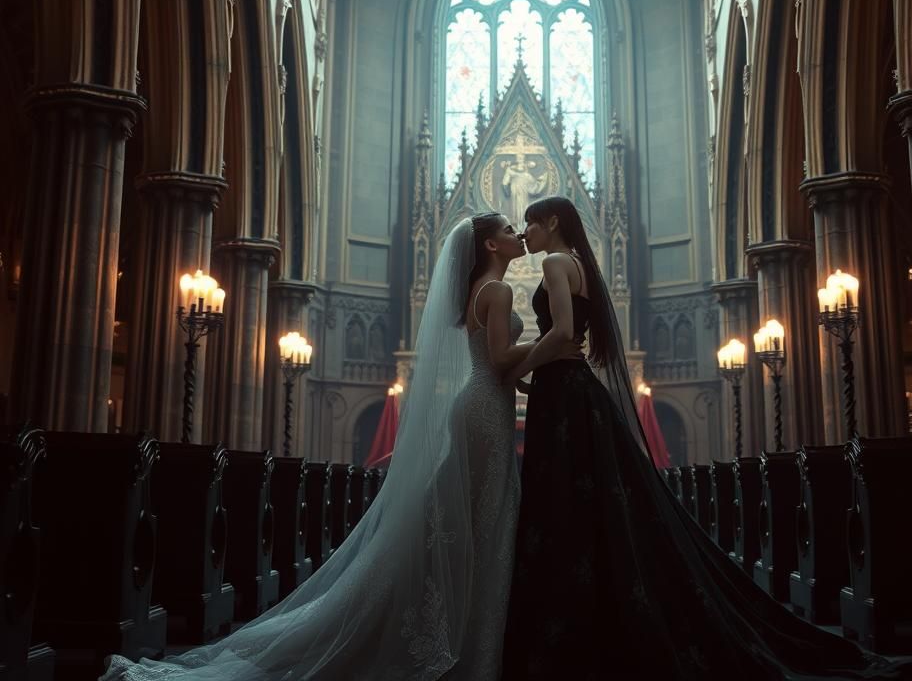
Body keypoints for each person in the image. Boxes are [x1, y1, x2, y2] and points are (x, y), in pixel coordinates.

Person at [101, 213, 578, 681]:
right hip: (482, 408)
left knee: (468, 521)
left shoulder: (481, 291)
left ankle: (455, 631)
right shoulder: (497, 290)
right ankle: (460, 642)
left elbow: (494, 366)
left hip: (481, 401)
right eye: (506, 230)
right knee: (479, 521)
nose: (517, 233)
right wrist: (555, 348)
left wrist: (529, 379)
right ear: (491, 246)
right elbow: (497, 358)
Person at [502, 195, 911, 681]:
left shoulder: (552, 261)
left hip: (563, 395)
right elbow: (573, 337)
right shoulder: (580, 264)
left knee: (564, 505)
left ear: (551, 221)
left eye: (529, 222)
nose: (525, 232)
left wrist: (516, 369)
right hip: (573, 391)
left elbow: (563, 331)